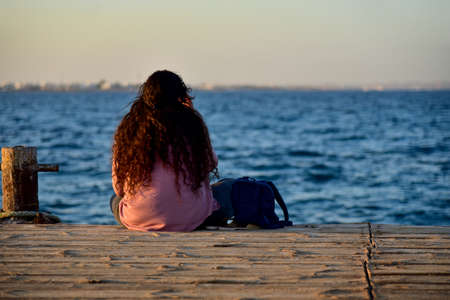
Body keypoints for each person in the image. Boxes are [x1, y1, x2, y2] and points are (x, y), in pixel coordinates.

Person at [110, 70, 221, 232]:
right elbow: (210, 163)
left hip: (140, 217)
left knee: (114, 200)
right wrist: (194, 118)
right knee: (222, 193)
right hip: (191, 218)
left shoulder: (130, 132)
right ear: (181, 98)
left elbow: (119, 188)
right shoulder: (191, 126)